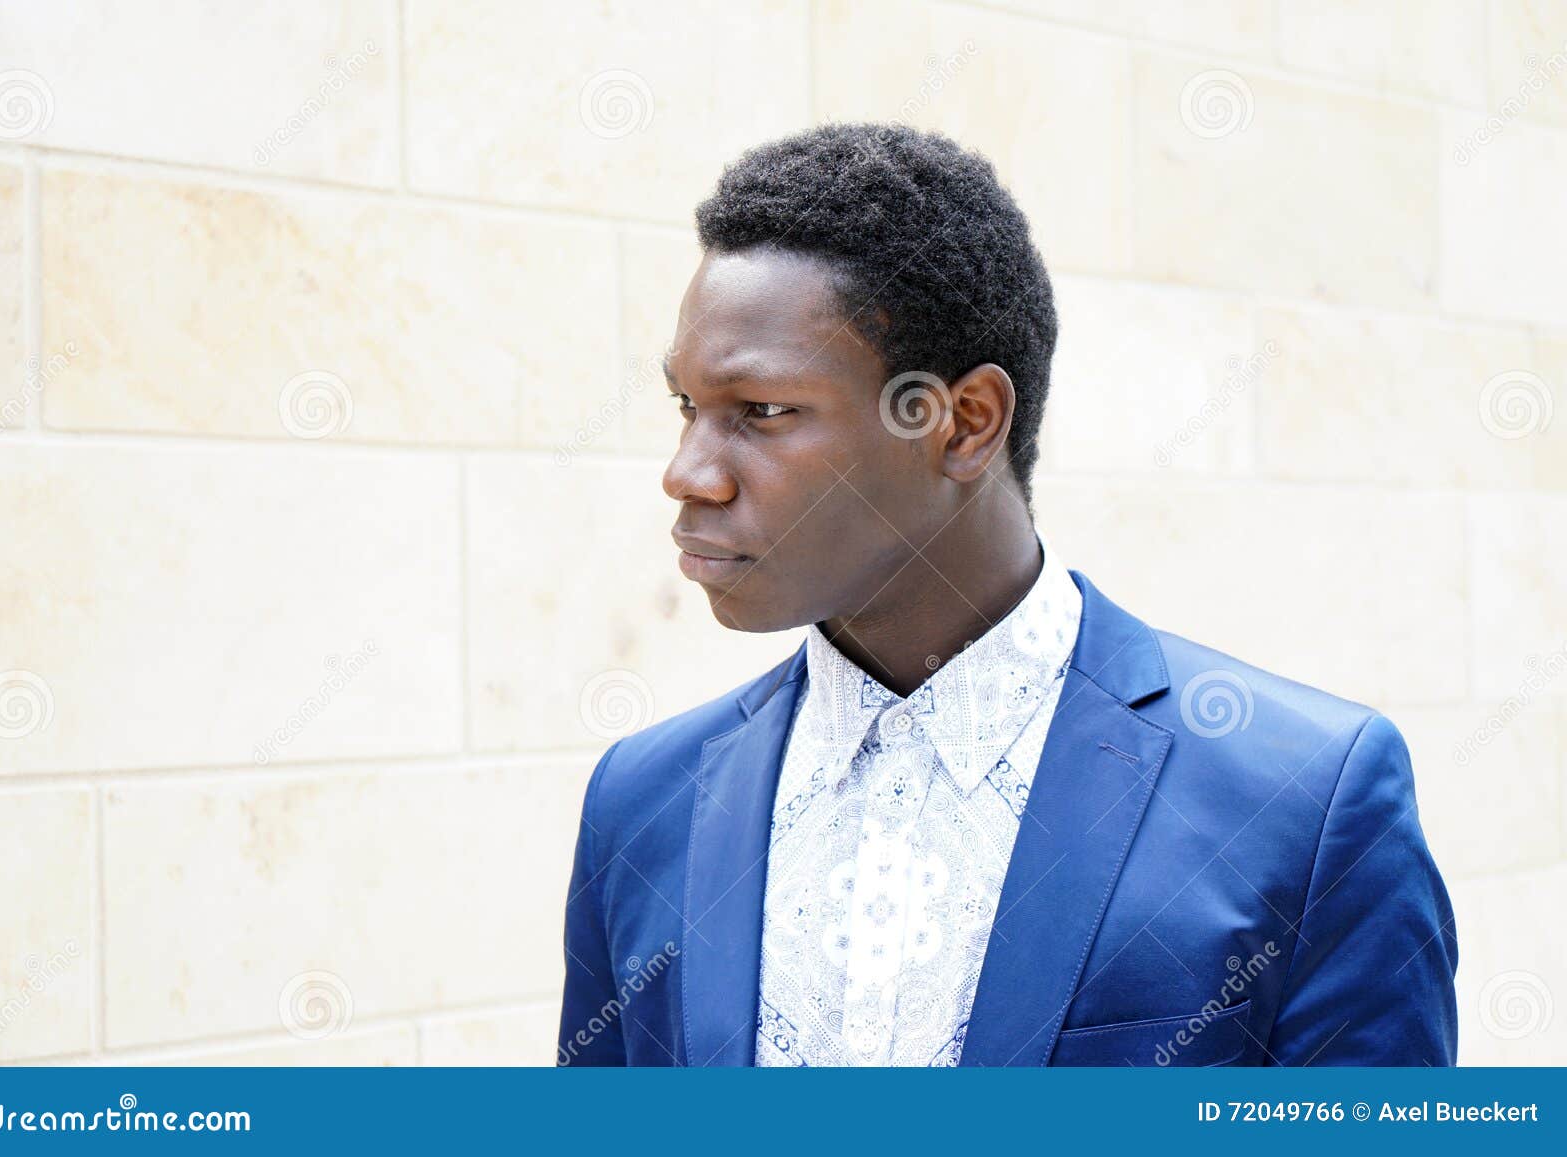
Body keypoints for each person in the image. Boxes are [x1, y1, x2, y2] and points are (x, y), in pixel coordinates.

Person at [556, 122, 1457, 1067]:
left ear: (964, 424)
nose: (688, 472)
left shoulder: (1306, 804)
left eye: (764, 412)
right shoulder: (641, 801)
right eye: (687, 408)